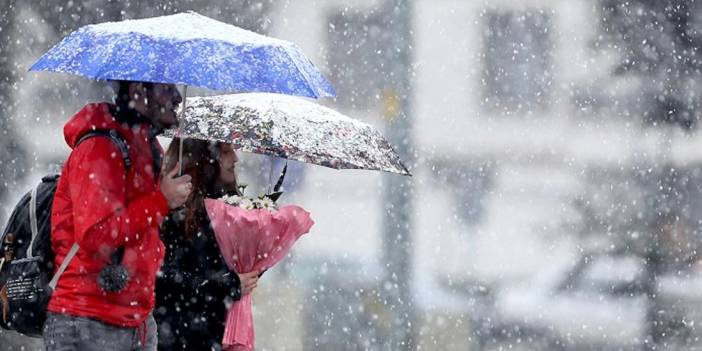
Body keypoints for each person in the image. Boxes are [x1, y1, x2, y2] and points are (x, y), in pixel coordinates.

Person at [44, 81, 193, 351]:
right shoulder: (100, 146)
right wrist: (161, 200)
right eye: (166, 88)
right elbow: (95, 234)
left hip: (137, 320)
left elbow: (143, 228)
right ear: (137, 90)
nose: (176, 97)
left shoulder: (147, 147)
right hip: (89, 320)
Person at [155, 138, 260, 351]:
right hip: (177, 337)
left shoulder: (229, 207)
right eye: (226, 151)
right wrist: (226, 285)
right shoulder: (173, 210)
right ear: (204, 157)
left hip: (215, 334)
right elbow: (163, 278)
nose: (235, 158)